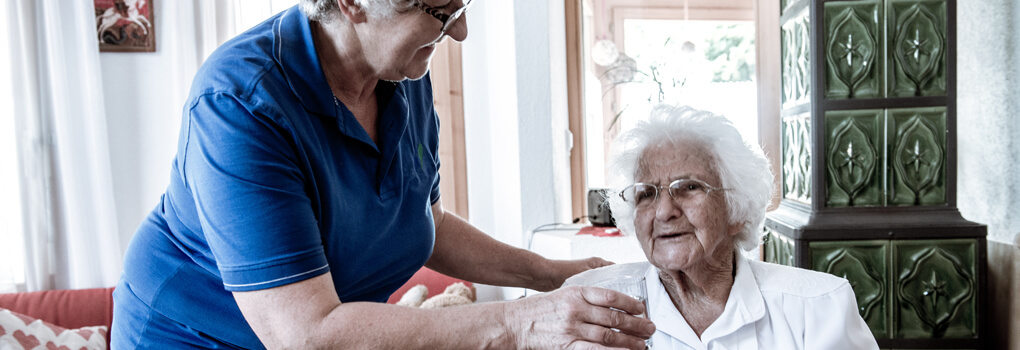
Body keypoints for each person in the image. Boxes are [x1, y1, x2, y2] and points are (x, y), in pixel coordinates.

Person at [111, 0, 655, 348]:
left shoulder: (402, 73)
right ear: (352, 4)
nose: (460, 31)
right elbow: (306, 335)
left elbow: (423, 221)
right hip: (197, 335)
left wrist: (551, 274)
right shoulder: (240, 103)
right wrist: (520, 322)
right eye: (441, 9)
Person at [568, 105, 879, 349]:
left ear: (736, 211)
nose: (663, 211)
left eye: (688, 187)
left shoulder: (818, 308)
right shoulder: (588, 307)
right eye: (646, 193)